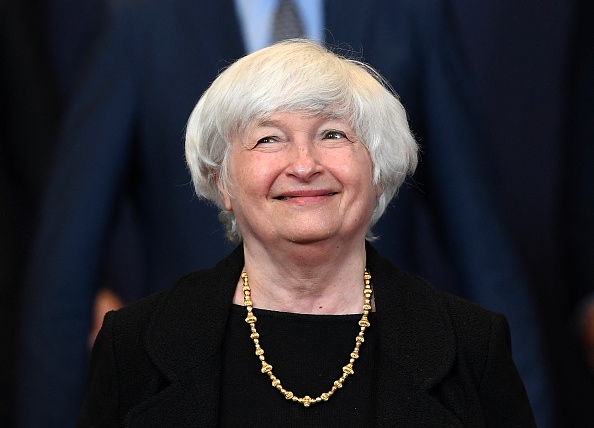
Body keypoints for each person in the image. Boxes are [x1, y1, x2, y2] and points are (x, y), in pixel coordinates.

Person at [20, 1, 551, 426]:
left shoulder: (473, 350)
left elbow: (481, 238)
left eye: (334, 134)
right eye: (268, 139)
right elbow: (67, 259)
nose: (304, 165)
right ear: (219, 180)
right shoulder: (131, 350)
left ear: (382, 169)